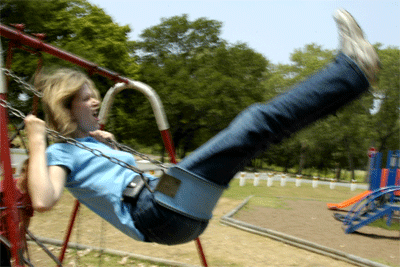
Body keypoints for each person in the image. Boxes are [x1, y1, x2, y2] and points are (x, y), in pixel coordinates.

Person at [24, 9, 380, 245]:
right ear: (66, 106)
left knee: (260, 135)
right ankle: (351, 70)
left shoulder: (92, 145)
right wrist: (38, 144)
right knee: (254, 123)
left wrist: (109, 147)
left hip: (168, 209)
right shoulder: (59, 153)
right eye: (87, 98)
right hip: (155, 210)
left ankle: (354, 79)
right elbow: (43, 200)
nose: (96, 102)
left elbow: (113, 179)